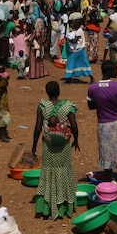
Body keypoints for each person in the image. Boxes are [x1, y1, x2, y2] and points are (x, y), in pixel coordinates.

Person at [31, 81, 79, 220]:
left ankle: (47, 207)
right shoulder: (68, 106)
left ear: (47, 92)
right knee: (64, 170)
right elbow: (74, 126)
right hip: (63, 146)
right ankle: (64, 205)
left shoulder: (42, 106)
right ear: (58, 91)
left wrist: (34, 145)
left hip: (48, 145)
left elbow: (38, 127)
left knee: (48, 171)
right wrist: (76, 140)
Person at [87, 61, 117, 187]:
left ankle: (108, 184)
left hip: (103, 126)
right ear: (110, 71)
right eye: (115, 69)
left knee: (106, 155)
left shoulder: (93, 88)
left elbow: (91, 106)